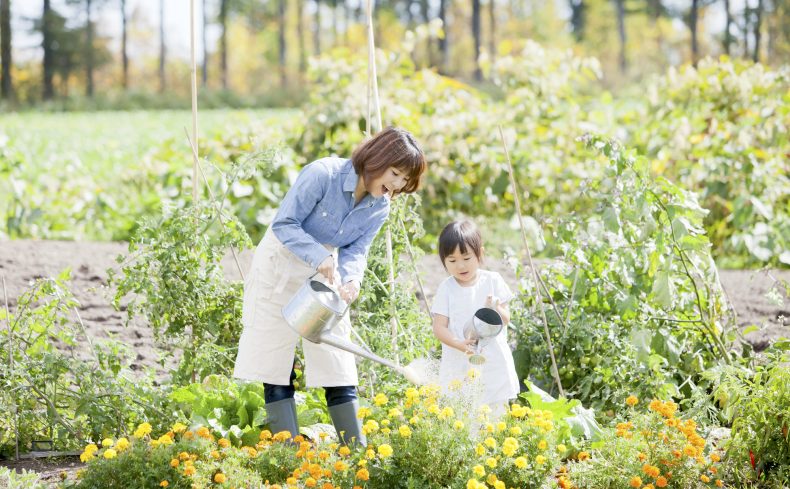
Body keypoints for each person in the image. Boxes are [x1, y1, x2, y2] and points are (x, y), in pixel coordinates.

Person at [233, 127, 427, 446]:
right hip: (281, 262)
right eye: (395, 174)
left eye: (404, 182)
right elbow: (284, 224)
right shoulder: (322, 174)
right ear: (376, 158)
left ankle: (357, 454)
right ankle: (290, 457)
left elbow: (356, 249)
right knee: (275, 363)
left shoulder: (380, 205)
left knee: (337, 359)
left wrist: (352, 279)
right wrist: (317, 254)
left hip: (326, 272)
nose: (396, 186)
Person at [430, 219, 519, 419]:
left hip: (492, 359)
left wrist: (495, 307)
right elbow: (439, 327)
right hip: (460, 359)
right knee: (463, 414)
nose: (460, 265)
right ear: (443, 261)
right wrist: (459, 344)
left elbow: (506, 318)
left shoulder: (492, 280)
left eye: (466, 257)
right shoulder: (447, 288)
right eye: (452, 261)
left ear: (480, 253)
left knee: (496, 415)